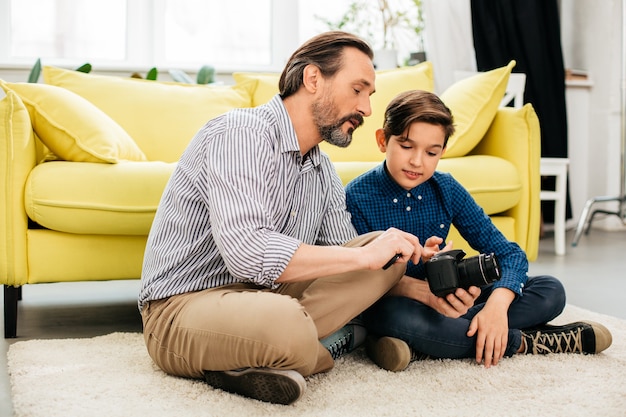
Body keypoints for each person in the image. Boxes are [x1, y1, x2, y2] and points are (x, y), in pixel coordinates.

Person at [138, 31, 425, 406]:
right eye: (358, 90)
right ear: (312, 79)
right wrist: (360, 259)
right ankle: (336, 342)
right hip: (182, 308)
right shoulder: (240, 134)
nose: (367, 109)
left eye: (369, 96)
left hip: (269, 298)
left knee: (386, 249)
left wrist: (411, 276)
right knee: (287, 323)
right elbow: (246, 253)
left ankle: (271, 355)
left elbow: (351, 262)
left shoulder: (322, 170)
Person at [345, 90, 613, 372]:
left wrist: (495, 308)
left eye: (431, 152)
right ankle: (528, 342)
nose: (417, 162)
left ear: (442, 152)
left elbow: (510, 253)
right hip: (399, 303)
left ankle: (429, 342)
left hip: (450, 301)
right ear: (382, 140)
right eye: (406, 146)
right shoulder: (357, 197)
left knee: (550, 290)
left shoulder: (446, 189)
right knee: (393, 317)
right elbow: (363, 280)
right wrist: (425, 294)